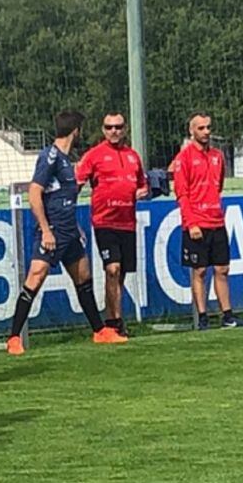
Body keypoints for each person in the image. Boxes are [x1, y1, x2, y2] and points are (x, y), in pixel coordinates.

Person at [6, 110, 129, 354]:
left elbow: (62, 198)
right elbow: (34, 193)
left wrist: (75, 226)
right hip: (52, 232)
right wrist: (45, 230)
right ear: (76, 131)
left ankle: (99, 330)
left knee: (83, 277)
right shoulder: (50, 157)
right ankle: (13, 337)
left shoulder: (63, 158)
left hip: (69, 231)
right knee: (36, 277)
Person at [172, 112, 243, 330]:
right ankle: (203, 317)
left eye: (208, 127)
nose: (206, 132)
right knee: (200, 271)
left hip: (217, 221)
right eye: (201, 128)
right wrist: (191, 222)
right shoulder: (184, 158)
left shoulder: (217, 156)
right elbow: (182, 193)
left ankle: (227, 315)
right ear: (192, 131)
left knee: (222, 269)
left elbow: (219, 186)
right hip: (196, 223)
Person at [75, 112, 148, 337]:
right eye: (109, 127)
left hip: (127, 223)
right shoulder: (94, 155)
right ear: (103, 130)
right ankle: (112, 322)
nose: (114, 131)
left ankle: (116, 319)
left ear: (125, 128)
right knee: (112, 269)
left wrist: (141, 193)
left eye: (118, 127)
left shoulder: (133, 156)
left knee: (121, 274)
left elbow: (141, 185)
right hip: (104, 221)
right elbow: (76, 184)